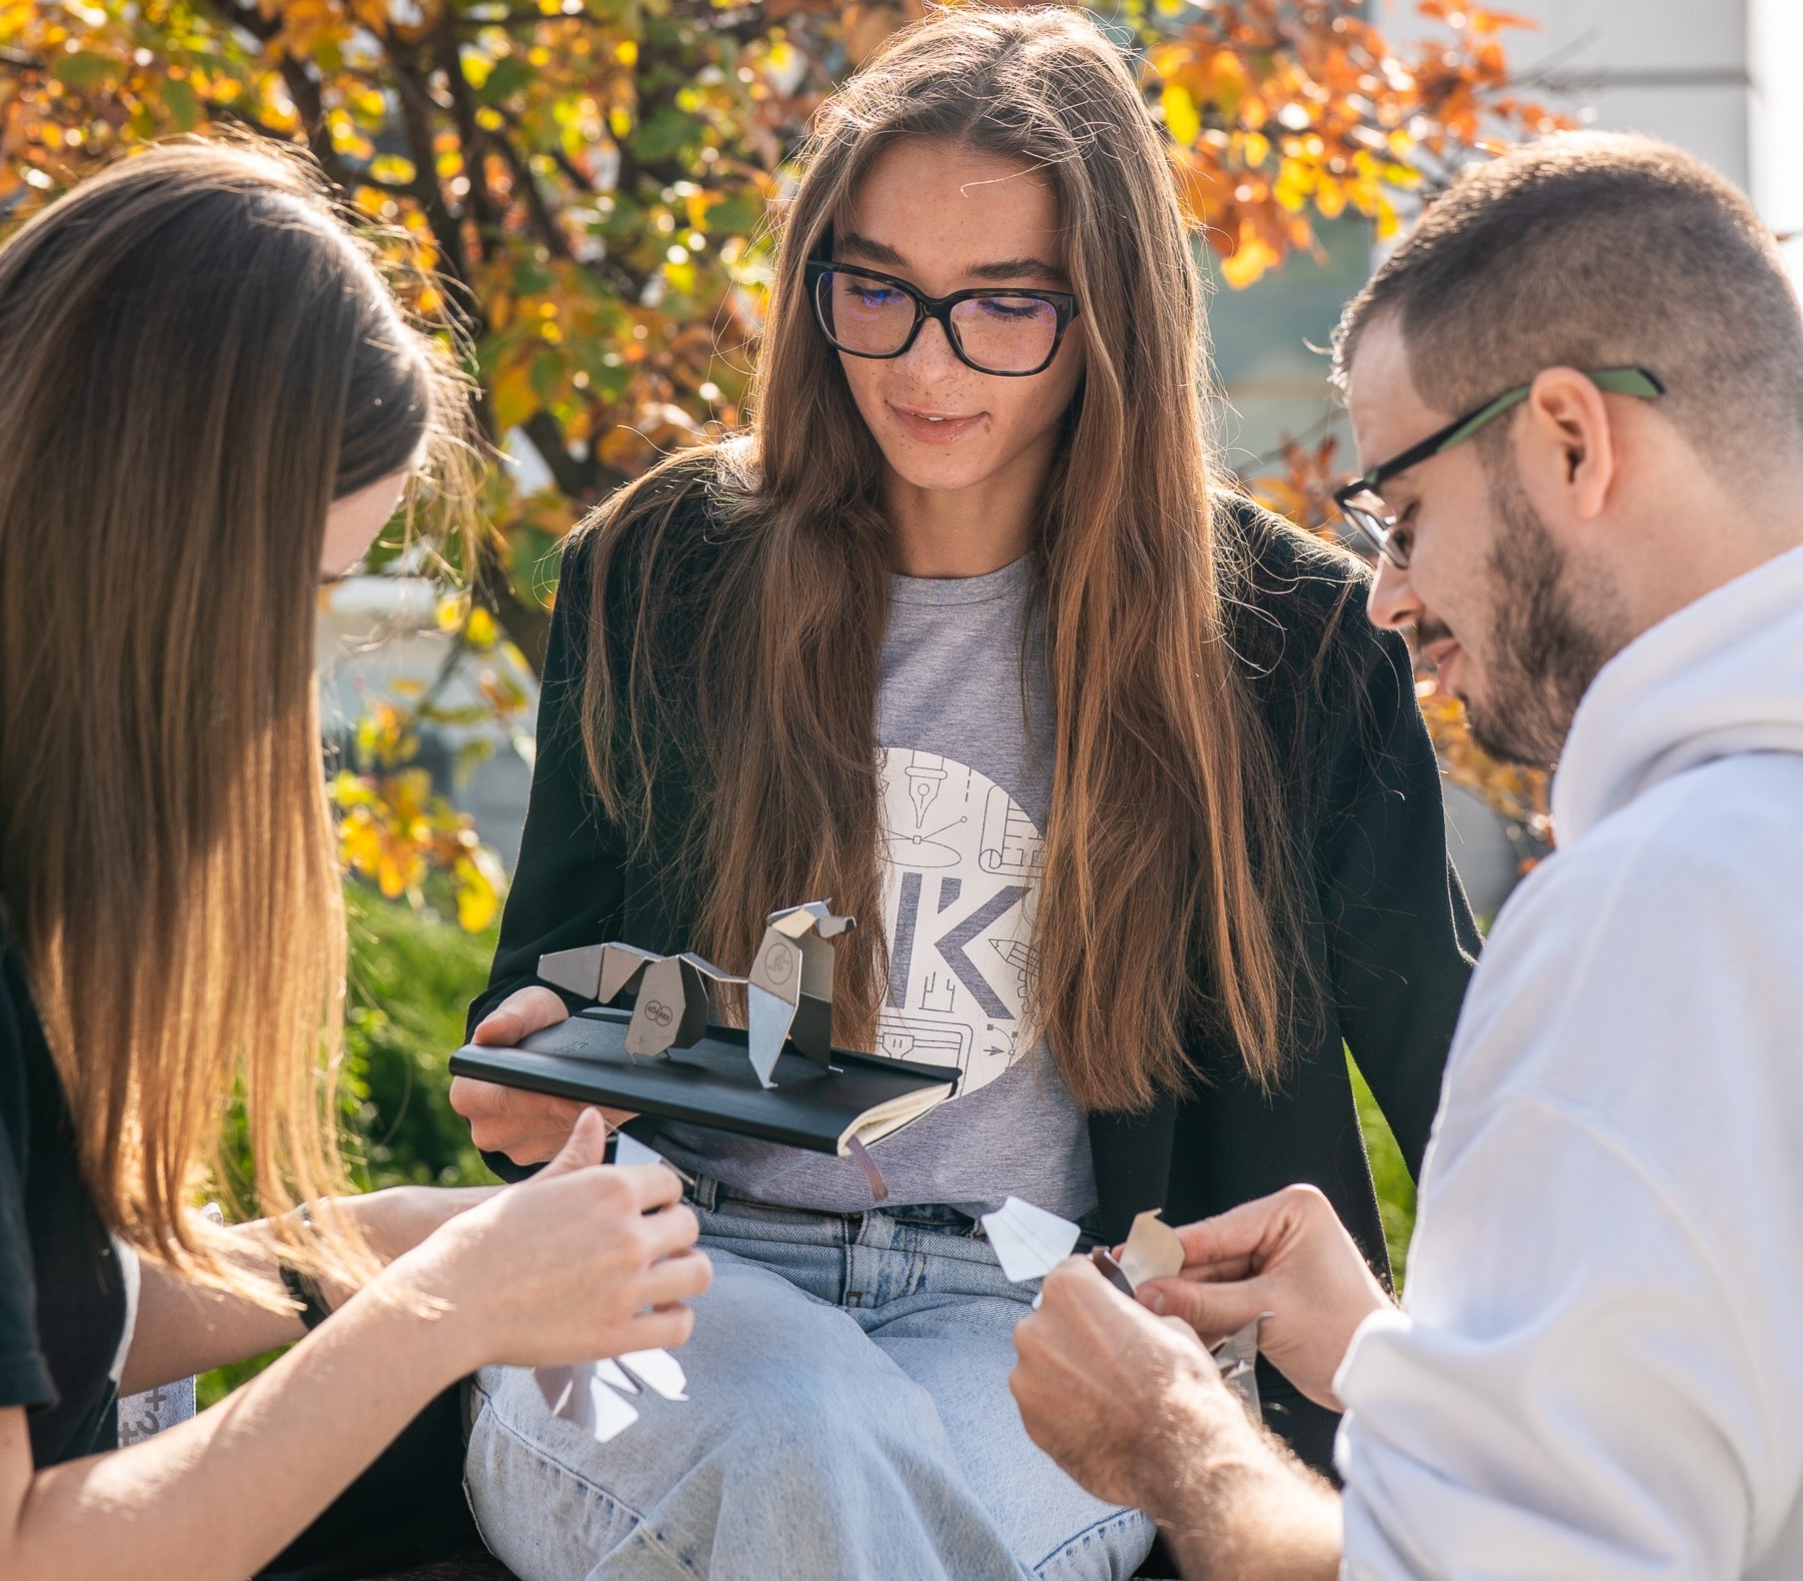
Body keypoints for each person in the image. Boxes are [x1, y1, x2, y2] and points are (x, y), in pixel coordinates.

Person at [447, 9, 1477, 1578]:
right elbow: (543, 995)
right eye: (876, 292)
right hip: (673, 1288)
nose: (924, 363)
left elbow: (1457, 1078)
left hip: (1037, 1317)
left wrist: (1531, 1400)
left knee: (842, 1489)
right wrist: (536, 1078)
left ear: (1108, 317)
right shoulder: (658, 568)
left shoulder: (1282, 641)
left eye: (1003, 306)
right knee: (810, 1443)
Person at [0, 140, 710, 1581]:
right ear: (154, 546)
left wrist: (386, 1240)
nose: (285, 684)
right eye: (294, 593)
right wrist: (437, 1307)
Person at [1009, 131, 1803, 1580]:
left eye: (1403, 513)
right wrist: (1385, 1351)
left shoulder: (1657, 914)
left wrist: (1174, 1438)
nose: (1384, 600)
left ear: (1571, 439)